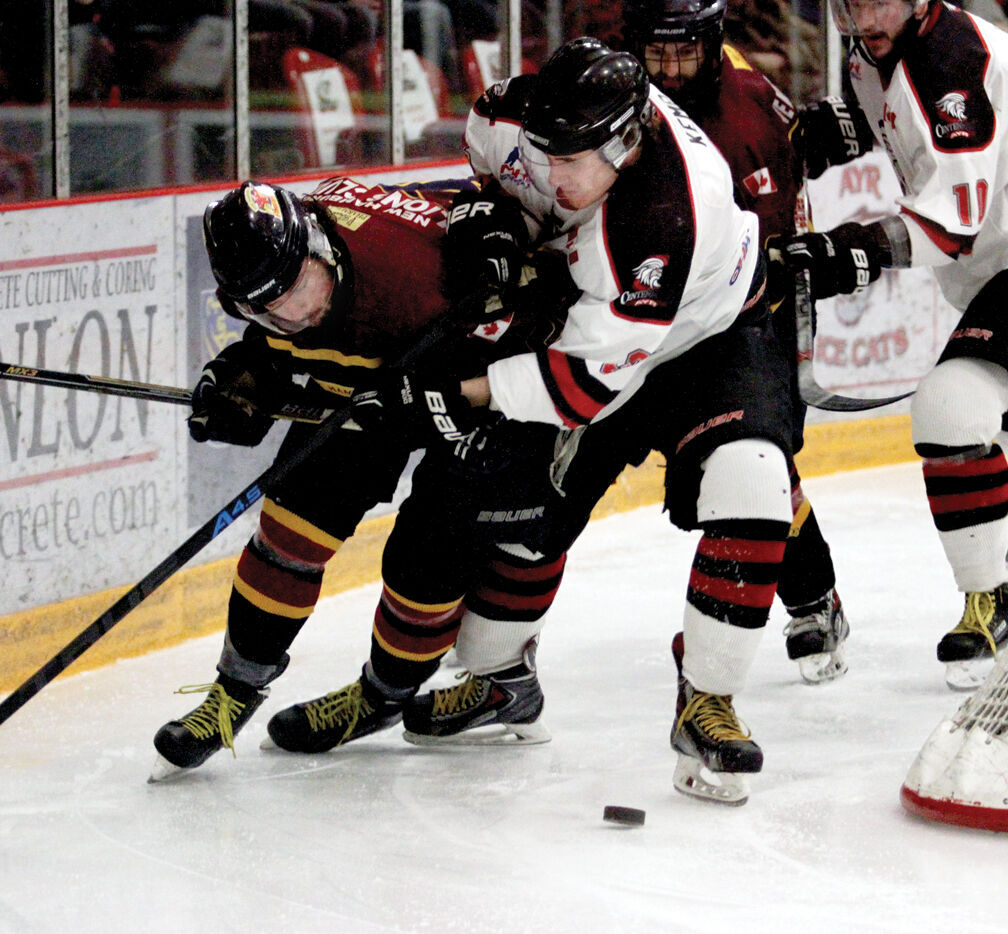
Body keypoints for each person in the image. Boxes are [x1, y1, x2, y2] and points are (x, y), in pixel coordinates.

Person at [275, 38, 794, 806]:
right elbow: (489, 158)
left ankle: (708, 698)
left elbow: (579, 387)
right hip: (590, 325)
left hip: (709, 333)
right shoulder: (520, 115)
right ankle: (499, 684)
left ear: (623, 143)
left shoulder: (664, 217)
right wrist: (492, 215)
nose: (552, 176)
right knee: (516, 523)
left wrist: (460, 396)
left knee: (751, 483)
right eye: (544, 156)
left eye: (571, 164)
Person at [150, 174, 572, 779]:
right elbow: (276, 344)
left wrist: (479, 424)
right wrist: (241, 377)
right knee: (292, 525)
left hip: (480, 386)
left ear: (319, 246)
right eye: (267, 307)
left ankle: (381, 697)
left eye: (299, 290)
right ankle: (233, 692)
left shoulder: (417, 283)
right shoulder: (285, 271)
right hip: (374, 386)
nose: (297, 313)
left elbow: (536, 345)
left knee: (426, 561)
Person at [771, 0, 1008, 690]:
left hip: (996, 264)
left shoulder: (952, 61)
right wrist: (850, 132)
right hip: (993, 273)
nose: (856, 14)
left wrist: (859, 251)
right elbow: (916, 147)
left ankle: (990, 599)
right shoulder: (874, 51)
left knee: (953, 404)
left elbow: (953, 221)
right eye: (845, 1)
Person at [619, 0, 850, 685]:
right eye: (653, 52)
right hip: (651, 311)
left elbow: (775, 245)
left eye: (682, 51)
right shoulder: (613, 99)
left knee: (754, 469)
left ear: (714, 41)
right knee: (717, 480)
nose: (666, 69)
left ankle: (813, 598)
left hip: (753, 314)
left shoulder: (749, 114)